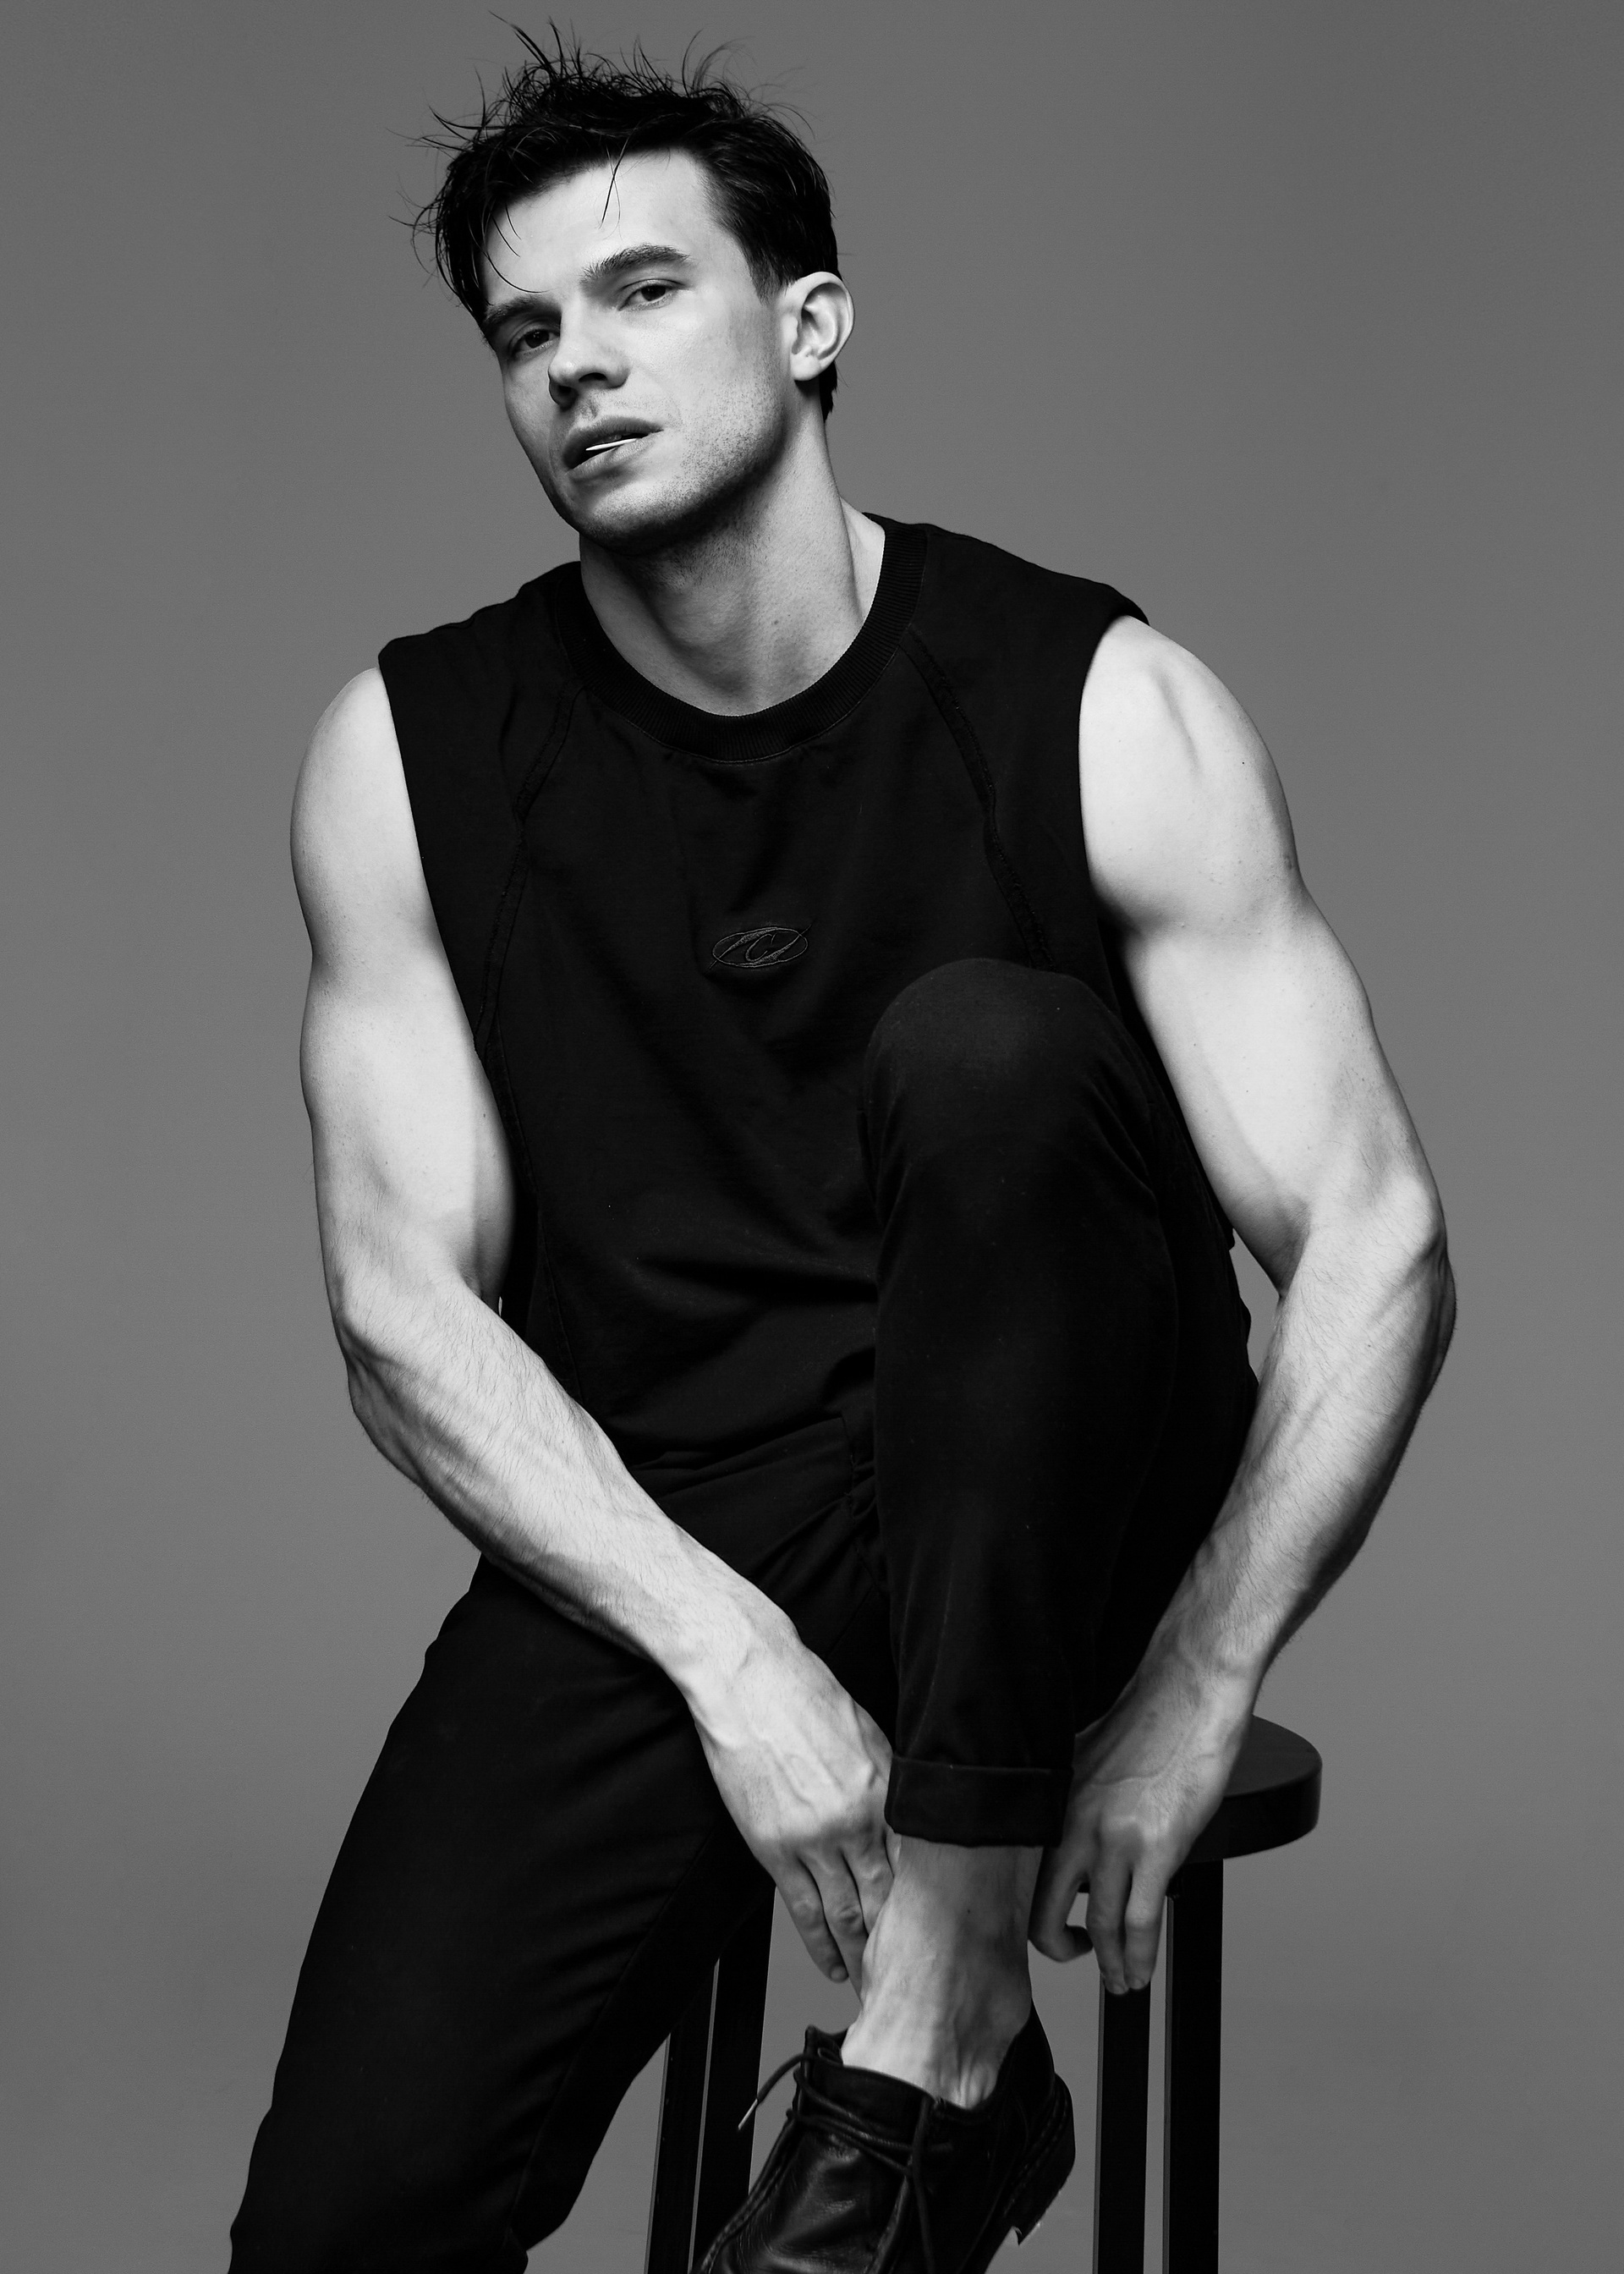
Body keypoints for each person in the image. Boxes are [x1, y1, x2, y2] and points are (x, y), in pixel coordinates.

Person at [230, 35, 1455, 2274]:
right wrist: (730, 1659)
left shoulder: (1096, 701)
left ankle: (940, 2043)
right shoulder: (410, 753)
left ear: (808, 323)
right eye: (525, 331)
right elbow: (399, 1303)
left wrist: (1200, 1673)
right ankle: (941, 2080)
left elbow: (1372, 1230)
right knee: (345, 2224)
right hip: (685, 1522)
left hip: (1060, 1497)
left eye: (641, 292)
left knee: (988, 1054)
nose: (576, 364)